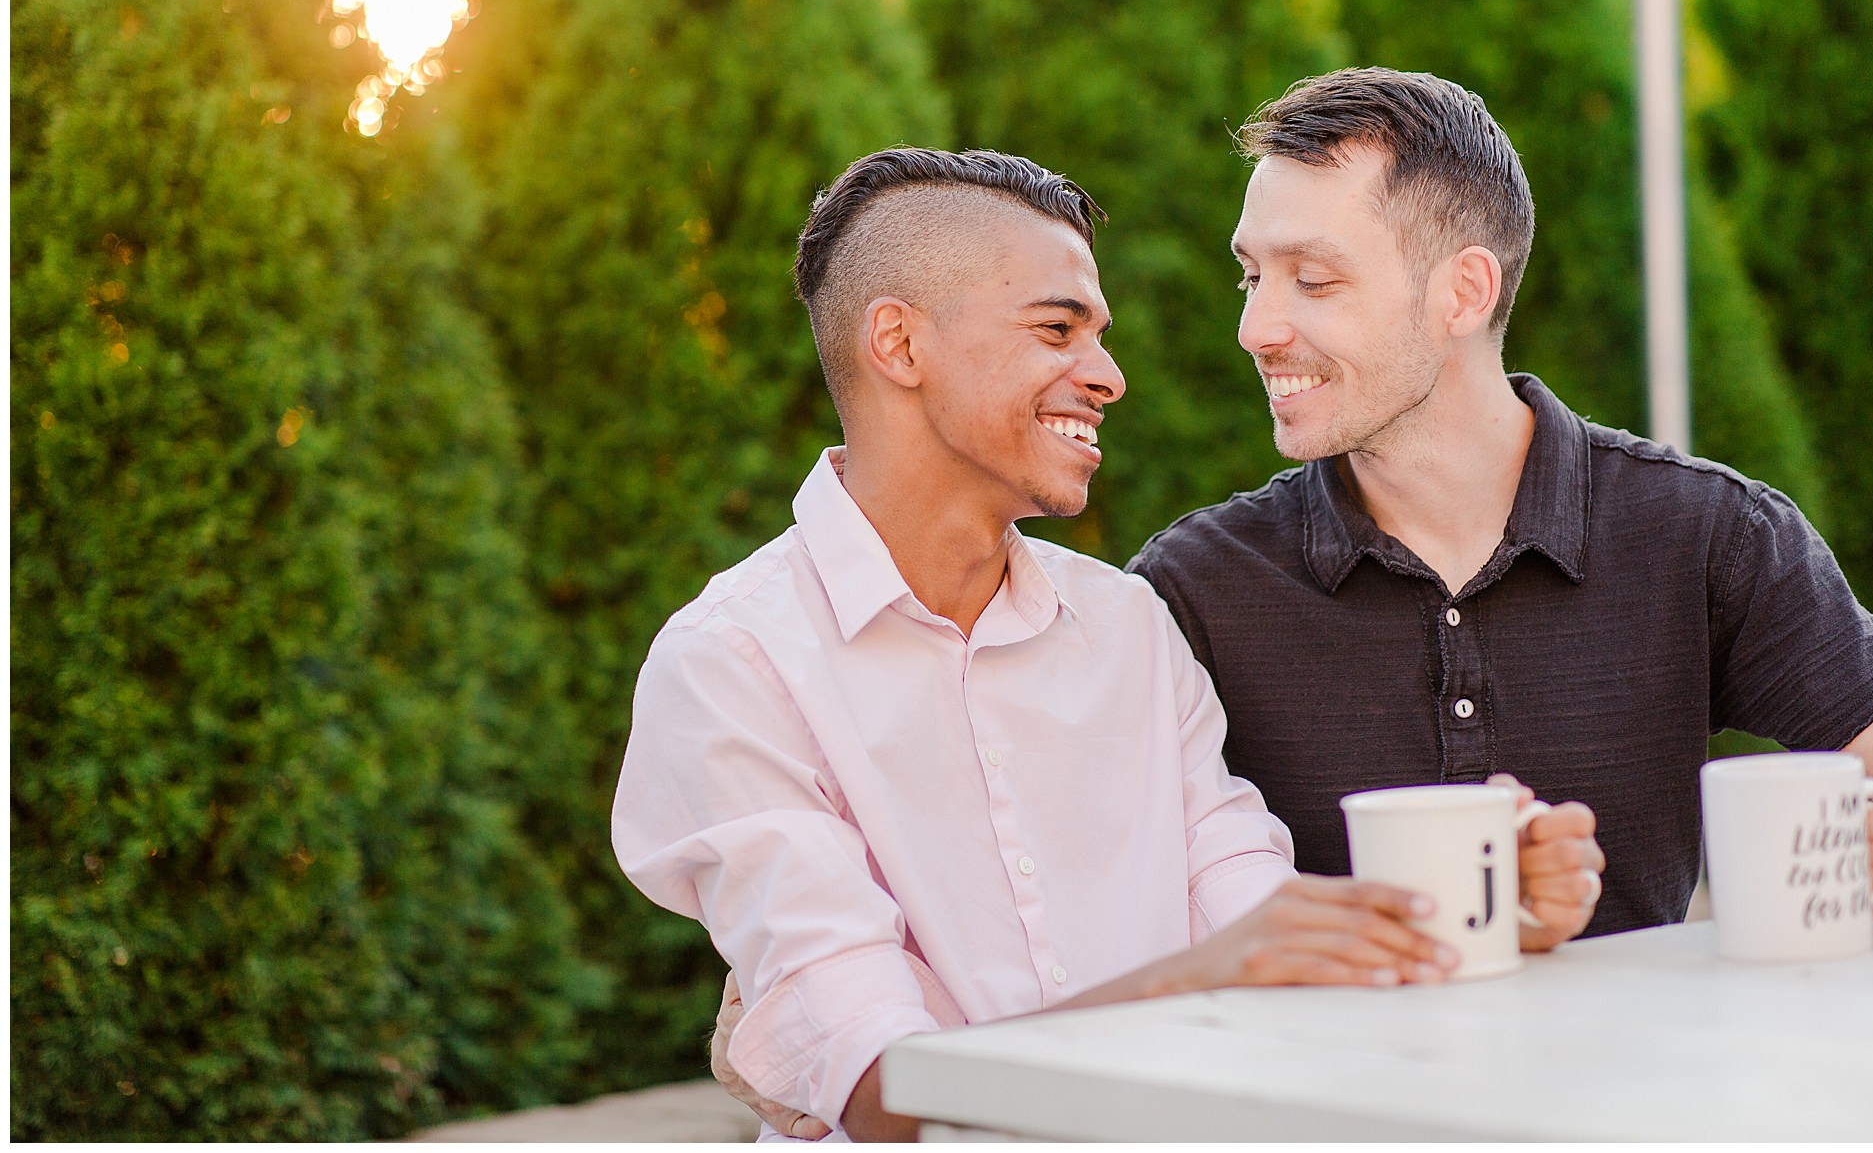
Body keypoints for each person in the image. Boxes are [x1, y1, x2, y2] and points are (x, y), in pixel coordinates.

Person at [610, 147, 1606, 1142]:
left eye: (1098, 334)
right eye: (1057, 328)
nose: (1108, 376)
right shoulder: (731, 664)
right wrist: (1203, 974)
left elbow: (1259, 919)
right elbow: (883, 1087)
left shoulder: (1127, 623)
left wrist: (1461, 910)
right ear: (898, 344)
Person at [1126, 67, 1873, 941]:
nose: (1255, 327)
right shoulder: (1190, 588)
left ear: (1464, 291)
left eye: (1312, 280)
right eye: (1251, 276)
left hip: (1641, 1079)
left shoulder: (1706, 534)